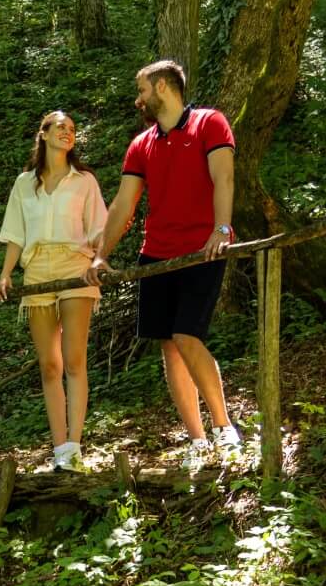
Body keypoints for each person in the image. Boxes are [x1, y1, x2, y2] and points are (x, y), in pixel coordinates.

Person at [97, 60, 243, 463]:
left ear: (162, 86)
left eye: (142, 90)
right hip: (156, 255)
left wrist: (222, 229)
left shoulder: (210, 123)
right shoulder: (141, 144)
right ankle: (197, 441)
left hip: (202, 248)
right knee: (169, 345)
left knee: (187, 335)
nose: (138, 99)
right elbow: (123, 204)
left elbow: (224, 178)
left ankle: (224, 428)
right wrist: (100, 256)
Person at [0, 110, 109, 472]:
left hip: (75, 267)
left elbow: (98, 228)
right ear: (42, 134)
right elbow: (15, 233)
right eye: (60, 127)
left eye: (72, 129)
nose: (67, 132)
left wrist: (99, 260)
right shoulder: (24, 183)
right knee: (49, 364)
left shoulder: (84, 181)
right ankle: (60, 450)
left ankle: (74, 446)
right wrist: (5, 275)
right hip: (37, 270)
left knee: (74, 359)